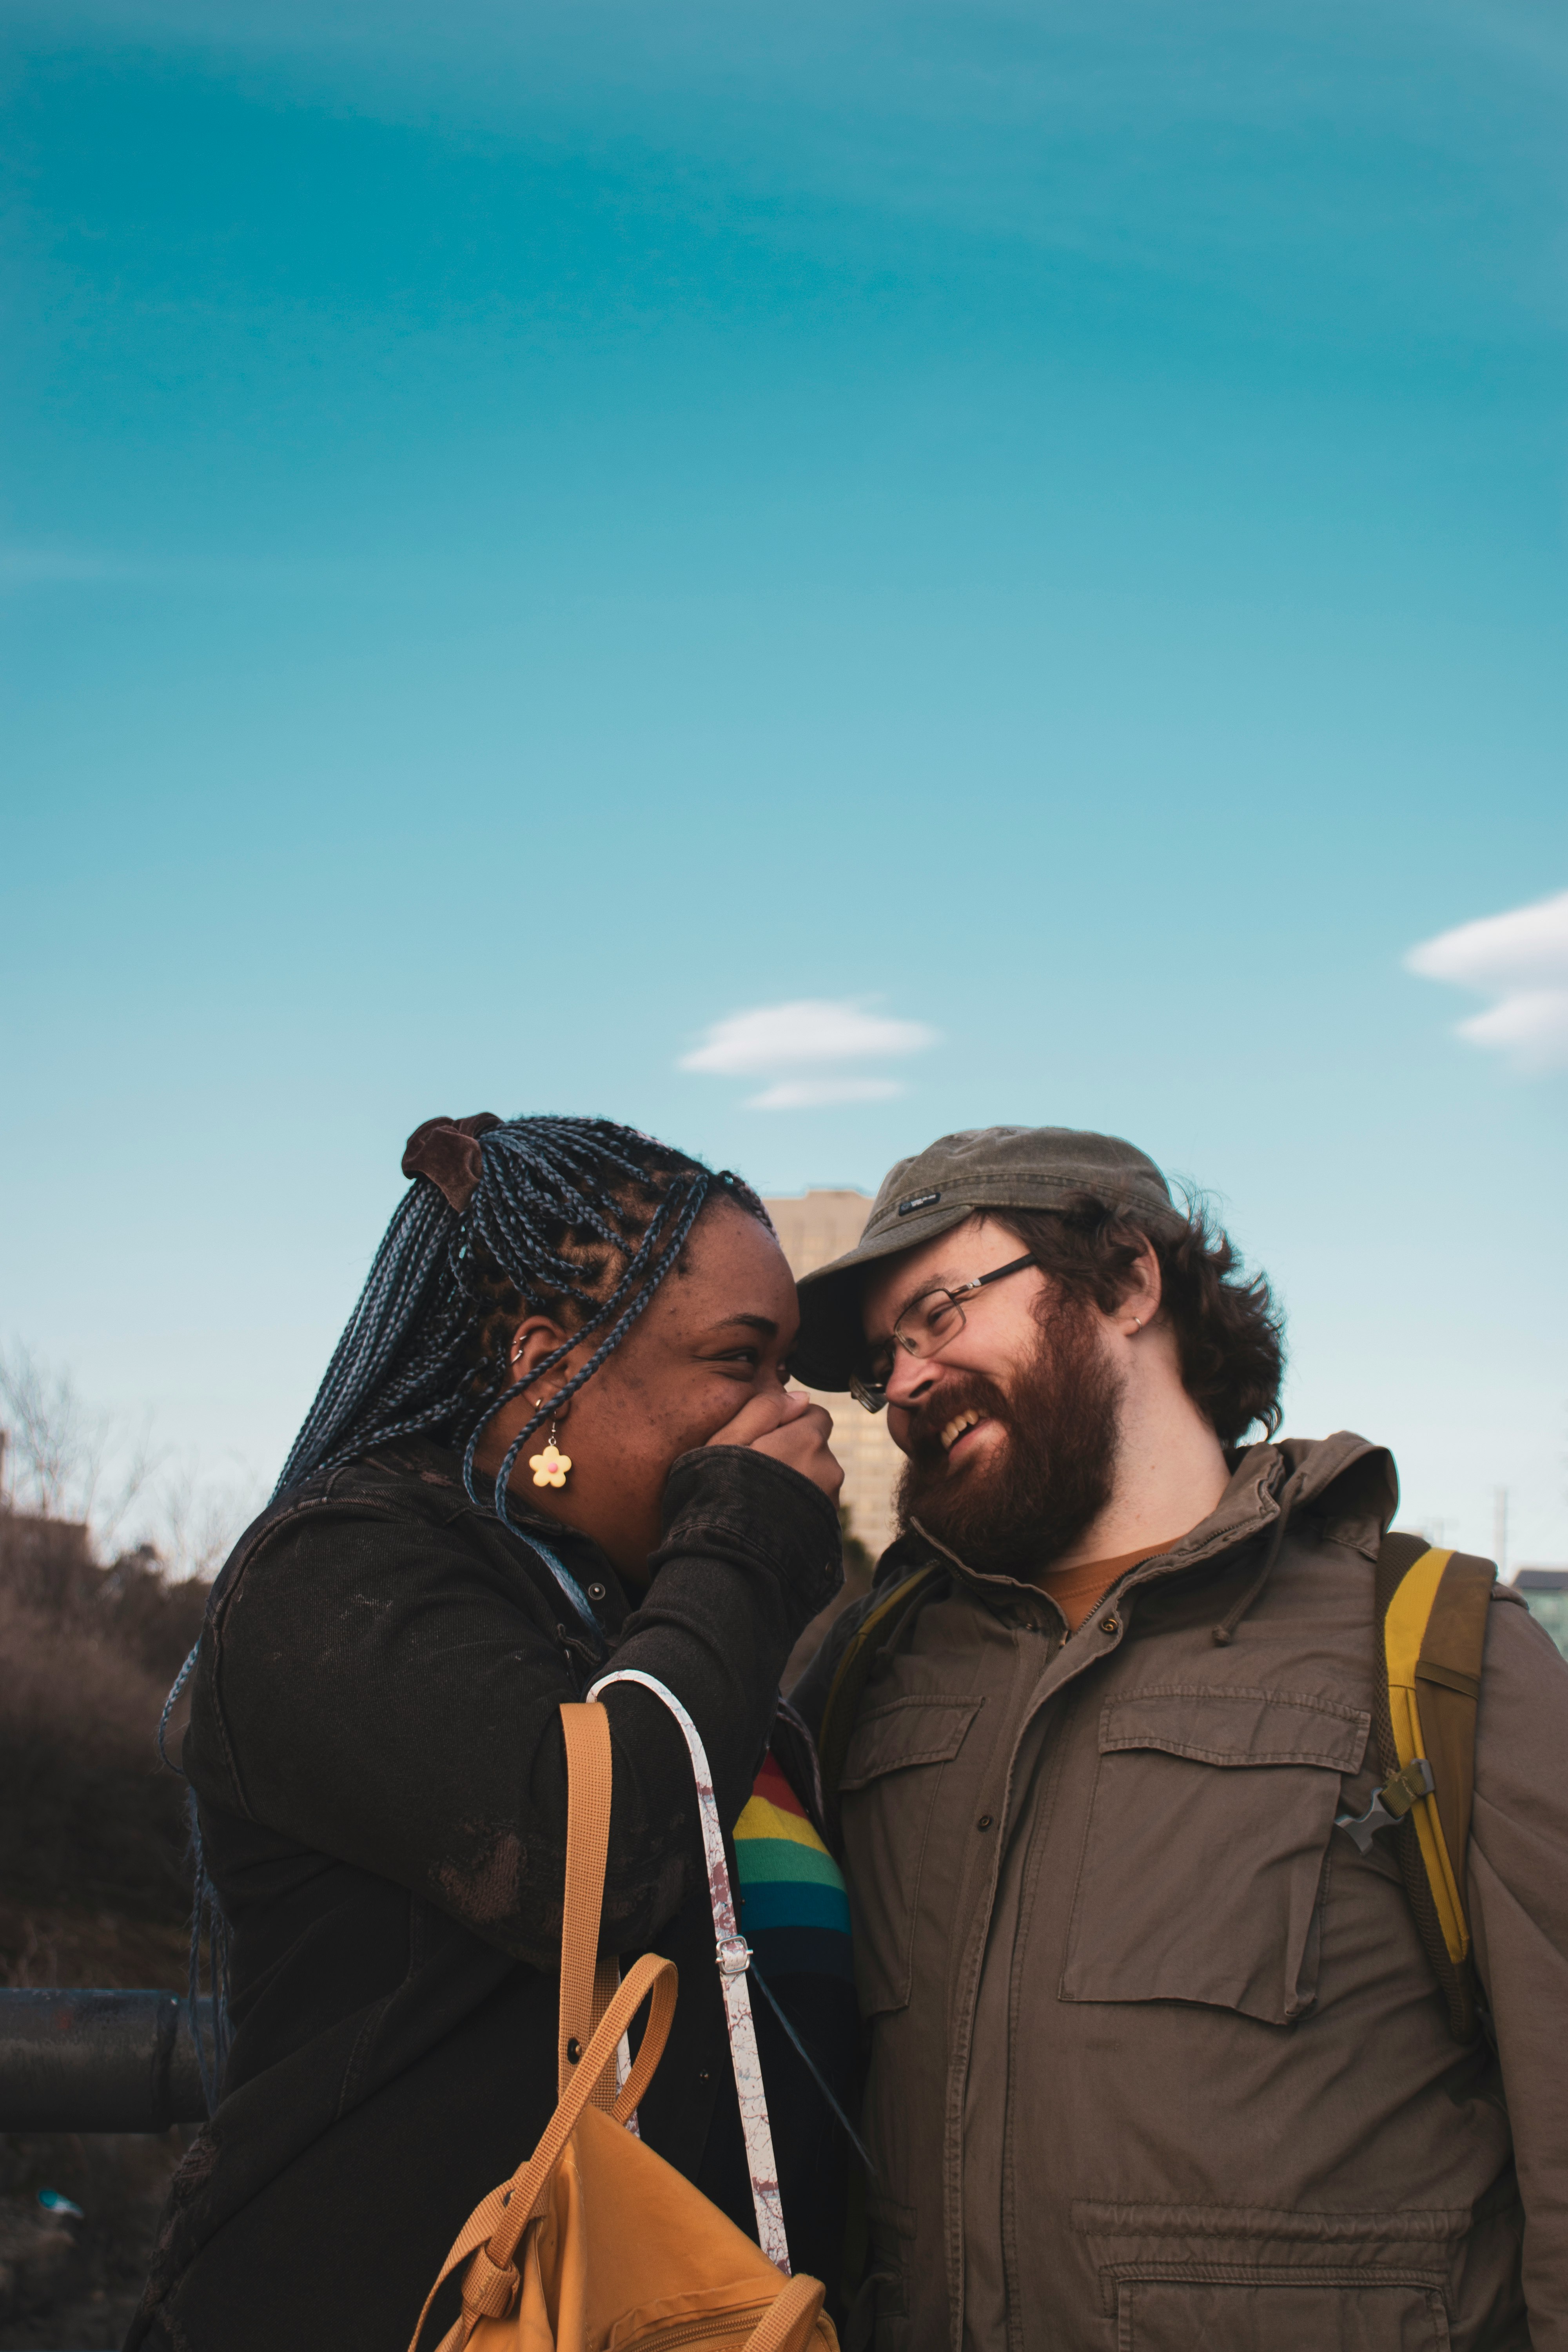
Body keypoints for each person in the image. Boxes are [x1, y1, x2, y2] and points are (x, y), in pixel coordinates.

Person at [790, 1124, 1568, 2352]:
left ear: (1129, 1282)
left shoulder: (1437, 1648)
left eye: (938, 1313)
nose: (902, 1382)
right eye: (883, 1357)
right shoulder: (863, 1673)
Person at [131, 1112, 854, 2352]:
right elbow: (602, 1858)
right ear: (543, 1365)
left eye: (790, 1371)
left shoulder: (666, 1629)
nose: (795, 1421)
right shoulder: (336, 1573)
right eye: (743, 1362)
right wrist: (745, 1536)